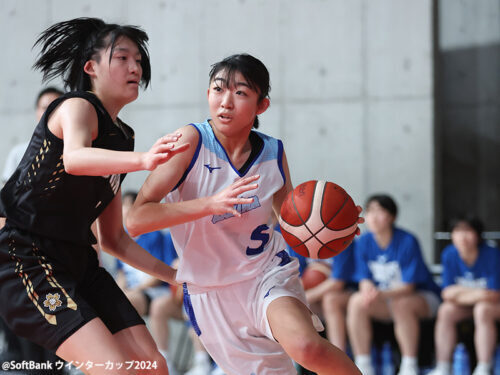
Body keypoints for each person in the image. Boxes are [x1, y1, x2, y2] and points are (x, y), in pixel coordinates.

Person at [127, 53, 362, 375]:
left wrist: (331, 231)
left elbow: (291, 222)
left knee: (306, 346)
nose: (226, 102)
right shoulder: (189, 142)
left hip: (264, 274)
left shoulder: (273, 152)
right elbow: (136, 218)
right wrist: (210, 204)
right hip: (209, 291)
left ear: (261, 105)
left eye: (240, 93)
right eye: (218, 89)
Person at [0, 17, 189, 375]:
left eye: (139, 60)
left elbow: (113, 238)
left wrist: (177, 277)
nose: (135, 67)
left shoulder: (122, 138)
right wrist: (144, 160)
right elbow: (74, 159)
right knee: (114, 369)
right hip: (23, 255)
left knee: (153, 367)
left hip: (79, 261)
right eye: (122, 58)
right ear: (91, 67)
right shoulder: (76, 107)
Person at [347, 194, 441, 375]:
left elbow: (410, 286)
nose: (373, 216)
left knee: (402, 303)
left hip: (421, 298)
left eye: (380, 211)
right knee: (356, 301)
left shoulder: (407, 240)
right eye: (370, 211)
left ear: (392, 217)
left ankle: (409, 365)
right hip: (385, 300)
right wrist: (367, 289)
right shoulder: (364, 241)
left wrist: (379, 294)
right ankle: (363, 364)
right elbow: (363, 277)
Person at [118, 191, 183, 372]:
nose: (124, 211)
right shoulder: (120, 237)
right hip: (136, 292)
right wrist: (118, 290)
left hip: (155, 291)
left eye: (127, 206)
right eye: (122, 206)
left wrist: (135, 289)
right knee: (116, 302)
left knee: (128, 302)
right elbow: (121, 272)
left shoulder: (153, 235)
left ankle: (157, 360)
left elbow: (160, 273)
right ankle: (129, 358)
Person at [428, 216, 500, 375]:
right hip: (469, 303)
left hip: (493, 305)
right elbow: (447, 293)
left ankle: (484, 366)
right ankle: (443, 366)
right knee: (446, 311)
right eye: (458, 231)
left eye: (468, 231)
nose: (463, 236)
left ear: (478, 235)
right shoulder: (449, 254)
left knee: (482, 309)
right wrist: (478, 293)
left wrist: (460, 292)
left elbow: (494, 294)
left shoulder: (492, 253)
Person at [2, 87, 64, 185]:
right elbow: (8, 193)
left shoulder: (72, 153)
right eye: (45, 107)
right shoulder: (18, 152)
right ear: (37, 111)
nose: (49, 112)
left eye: (56, 107)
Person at [304, 244, 356, 353]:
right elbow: (297, 278)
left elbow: (338, 283)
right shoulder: (300, 241)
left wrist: (307, 296)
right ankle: (303, 357)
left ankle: (339, 354)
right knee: (294, 302)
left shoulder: (341, 239)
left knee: (330, 300)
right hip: (318, 296)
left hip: (347, 292)